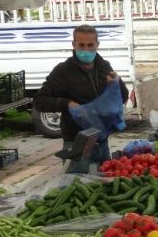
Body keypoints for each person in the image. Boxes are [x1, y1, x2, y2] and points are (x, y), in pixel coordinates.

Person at [34, 25, 129, 171]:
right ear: (74, 44)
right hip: (76, 142)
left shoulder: (103, 66)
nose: (86, 50)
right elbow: (40, 101)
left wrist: (117, 82)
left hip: (101, 140)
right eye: (81, 45)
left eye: (90, 45)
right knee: (77, 185)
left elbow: (122, 97)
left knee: (103, 185)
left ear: (97, 44)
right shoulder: (63, 70)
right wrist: (67, 103)